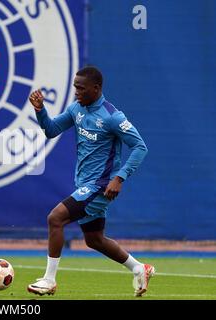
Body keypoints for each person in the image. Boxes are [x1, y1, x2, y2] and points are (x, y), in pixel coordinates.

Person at [27, 66, 154, 297]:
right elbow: (51, 130)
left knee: (55, 218)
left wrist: (119, 177)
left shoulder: (112, 116)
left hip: (100, 185)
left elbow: (140, 147)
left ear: (96, 89)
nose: (76, 92)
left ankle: (49, 280)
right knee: (94, 239)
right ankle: (139, 268)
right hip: (84, 184)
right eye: (75, 87)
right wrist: (40, 110)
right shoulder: (77, 109)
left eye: (81, 88)